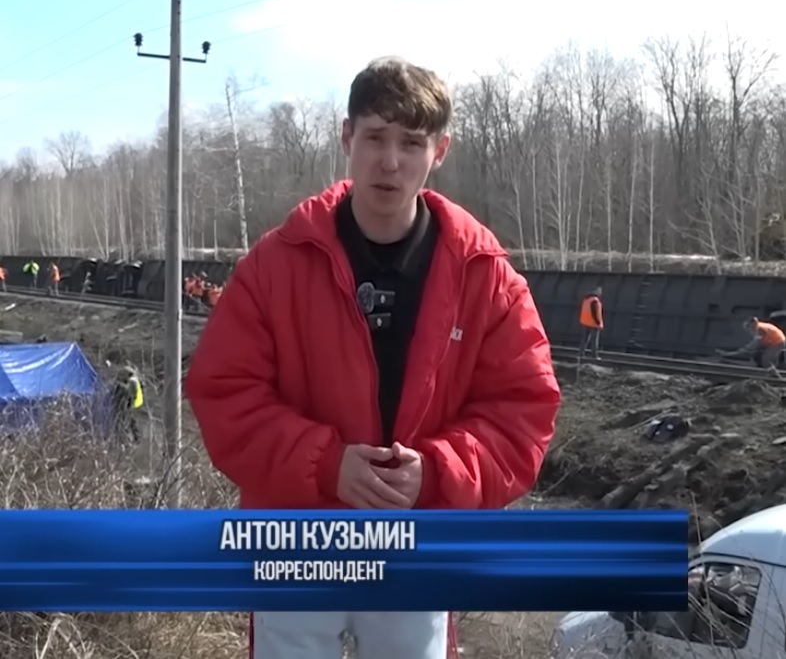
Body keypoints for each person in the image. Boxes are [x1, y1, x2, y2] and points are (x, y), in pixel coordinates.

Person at [186, 56, 561, 659]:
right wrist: (327, 466)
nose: (390, 161)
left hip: (417, 539)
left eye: (411, 143)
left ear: (439, 151)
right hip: (297, 536)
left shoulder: (485, 276)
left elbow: (524, 411)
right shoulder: (275, 265)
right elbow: (226, 394)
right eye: (375, 138)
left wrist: (434, 474)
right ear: (346, 138)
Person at [719, 316, 786, 376]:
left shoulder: (759, 328)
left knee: (766, 359)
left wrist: (742, 350)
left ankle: (775, 376)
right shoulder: (760, 326)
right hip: (772, 342)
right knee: (759, 354)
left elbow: (756, 342)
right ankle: (772, 371)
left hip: (777, 342)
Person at [578, 287, 603, 359]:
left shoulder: (586, 300)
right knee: (594, 340)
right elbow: (595, 313)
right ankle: (594, 355)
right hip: (593, 323)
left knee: (585, 339)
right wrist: (598, 323)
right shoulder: (595, 301)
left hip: (585, 322)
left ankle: (581, 353)